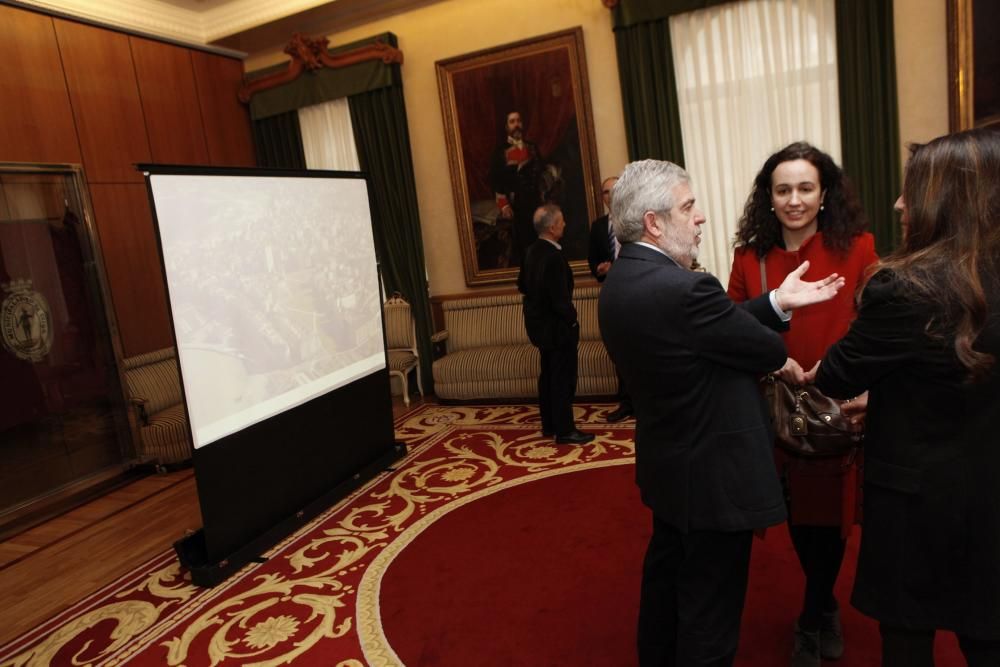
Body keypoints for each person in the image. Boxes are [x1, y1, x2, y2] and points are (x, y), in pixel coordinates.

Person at [598, 159, 846, 666]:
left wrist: (776, 298)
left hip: (671, 468)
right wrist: (779, 336)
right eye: (688, 207)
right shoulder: (688, 288)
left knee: (666, 586)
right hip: (714, 479)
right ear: (653, 222)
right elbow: (758, 348)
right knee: (710, 611)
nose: (700, 218)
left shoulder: (624, 280)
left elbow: (711, 327)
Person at [814, 128, 1000, 667]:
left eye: (910, 190)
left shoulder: (904, 287)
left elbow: (838, 375)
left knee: (909, 637)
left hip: (919, 501)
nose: (898, 202)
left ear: (948, 199)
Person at [726, 142, 877, 667]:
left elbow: (878, 326)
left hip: (837, 406)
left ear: (824, 193)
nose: (794, 199)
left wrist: (860, 381)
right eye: (783, 189)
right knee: (796, 518)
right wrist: (772, 363)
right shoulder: (750, 256)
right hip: (773, 408)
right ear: (768, 197)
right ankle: (823, 606)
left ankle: (814, 613)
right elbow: (733, 329)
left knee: (828, 520)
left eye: (805, 188)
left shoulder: (859, 247)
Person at [518, 204, 594, 445]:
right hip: (558, 328)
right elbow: (560, 299)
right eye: (561, 221)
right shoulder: (553, 256)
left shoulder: (530, 251)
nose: (565, 224)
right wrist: (573, 320)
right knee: (562, 378)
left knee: (548, 376)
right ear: (552, 227)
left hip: (539, 327)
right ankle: (565, 430)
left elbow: (522, 285)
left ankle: (549, 424)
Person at [588, 175, 632, 422]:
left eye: (614, 190)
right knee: (619, 348)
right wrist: (600, 268)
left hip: (637, 293)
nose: (610, 196)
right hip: (611, 296)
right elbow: (592, 261)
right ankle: (626, 403)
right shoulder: (597, 227)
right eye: (605, 192)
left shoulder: (636, 220)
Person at [490, 111, 557, 267]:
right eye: (512, 122)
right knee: (523, 246)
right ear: (507, 127)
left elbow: (541, 172)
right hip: (516, 204)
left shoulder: (532, 147)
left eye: (519, 121)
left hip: (536, 202)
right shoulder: (499, 152)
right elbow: (496, 182)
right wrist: (504, 206)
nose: (516, 124)